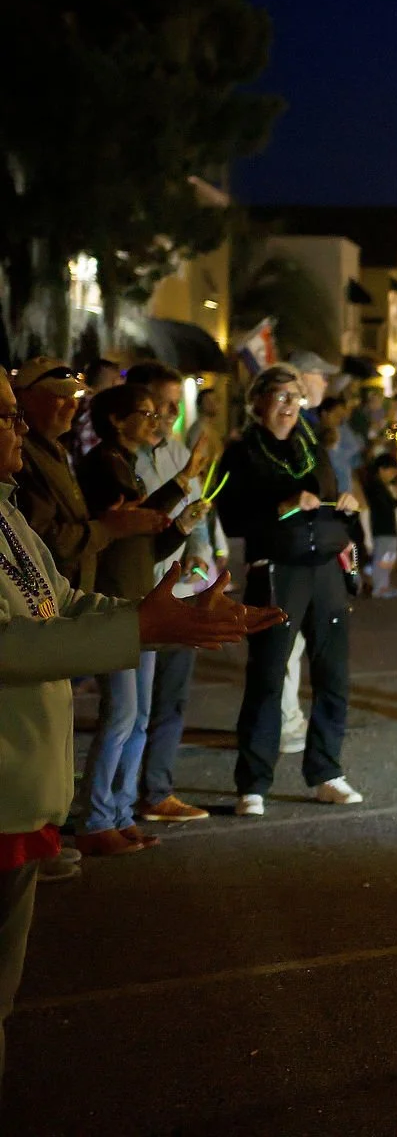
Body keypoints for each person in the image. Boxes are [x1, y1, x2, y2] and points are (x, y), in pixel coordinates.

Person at [0, 366, 284, 1088]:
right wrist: (142, 625)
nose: (21, 428)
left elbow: (59, 603)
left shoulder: (5, 515)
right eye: (6, 416)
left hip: (21, 795)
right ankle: (105, 811)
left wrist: (161, 625)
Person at [214, 364, 365, 815]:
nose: (288, 406)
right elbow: (232, 517)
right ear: (257, 403)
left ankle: (326, 772)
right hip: (277, 570)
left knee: (333, 676)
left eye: (295, 398)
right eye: (279, 397)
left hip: (326, 570)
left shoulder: (312, 446)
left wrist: (346, 508)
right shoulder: (242, 453)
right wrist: (281, 505)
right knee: (267, 675)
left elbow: (331, 504)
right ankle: (253, 783)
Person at [74, 384, 211, 853]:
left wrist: (182, 527)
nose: (156, 423)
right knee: (121, 714)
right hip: (114, 602)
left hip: (139, 598)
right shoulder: (102, 465)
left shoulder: (126, 466)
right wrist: (182, 481)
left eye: (158, 415)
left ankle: (121, 810)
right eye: (146, 414)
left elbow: (147, 543)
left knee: (139, 716)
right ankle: (95, 819)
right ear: (115, 419)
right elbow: (128, 524)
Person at [125, 362, 225, 825]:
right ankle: (115, 803)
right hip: (140, 594)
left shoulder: (180, 451)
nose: (166, 416)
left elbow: (197, 514)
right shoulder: (125, 460)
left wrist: (203, 556)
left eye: (172, 407)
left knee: (172, 697)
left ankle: (158, 791)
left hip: (182, 589)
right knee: (130, 709)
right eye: (158, 407)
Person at [10, 359, 168, 594]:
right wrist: (108, 527)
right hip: (47, 599)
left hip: (71, 593)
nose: (72, 406)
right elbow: (40, 540)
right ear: (25, 397)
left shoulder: (56, 452)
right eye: (61, 396)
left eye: (75, 397)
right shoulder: (20, 457)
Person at [361, 452, 397, 598]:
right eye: (391, 471)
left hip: (387, 530)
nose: (393, 474)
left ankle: (383, 585)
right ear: (382, 469)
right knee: (383, 559)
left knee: (387, 559)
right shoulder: (375, 487)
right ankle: (380, 587)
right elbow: (391, 505)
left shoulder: (381, 486)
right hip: (382, 530)